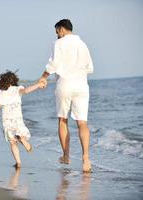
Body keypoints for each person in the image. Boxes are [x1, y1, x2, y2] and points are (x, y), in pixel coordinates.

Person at [39, 19, 94, 172]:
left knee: (63, 120)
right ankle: (86, 159)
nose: (57, 35)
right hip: (82, 85)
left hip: (65, 84)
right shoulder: (82, 44)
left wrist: (43, 76)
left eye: (57, 32)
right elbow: (90, 67)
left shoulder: (59, 43)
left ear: (62, 29)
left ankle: (66, 156)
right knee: (82, 123)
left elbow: (53, 64)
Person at [0, 70, 45, 168]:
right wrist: (38, 85)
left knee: (12, 142)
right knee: (21, 134)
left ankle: (18, 162)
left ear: (3, 81)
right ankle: (23, 140)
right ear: (14, 80)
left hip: (7, 120)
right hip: (17, 118)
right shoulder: (17, 89)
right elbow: (26, 91)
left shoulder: (2, 92)